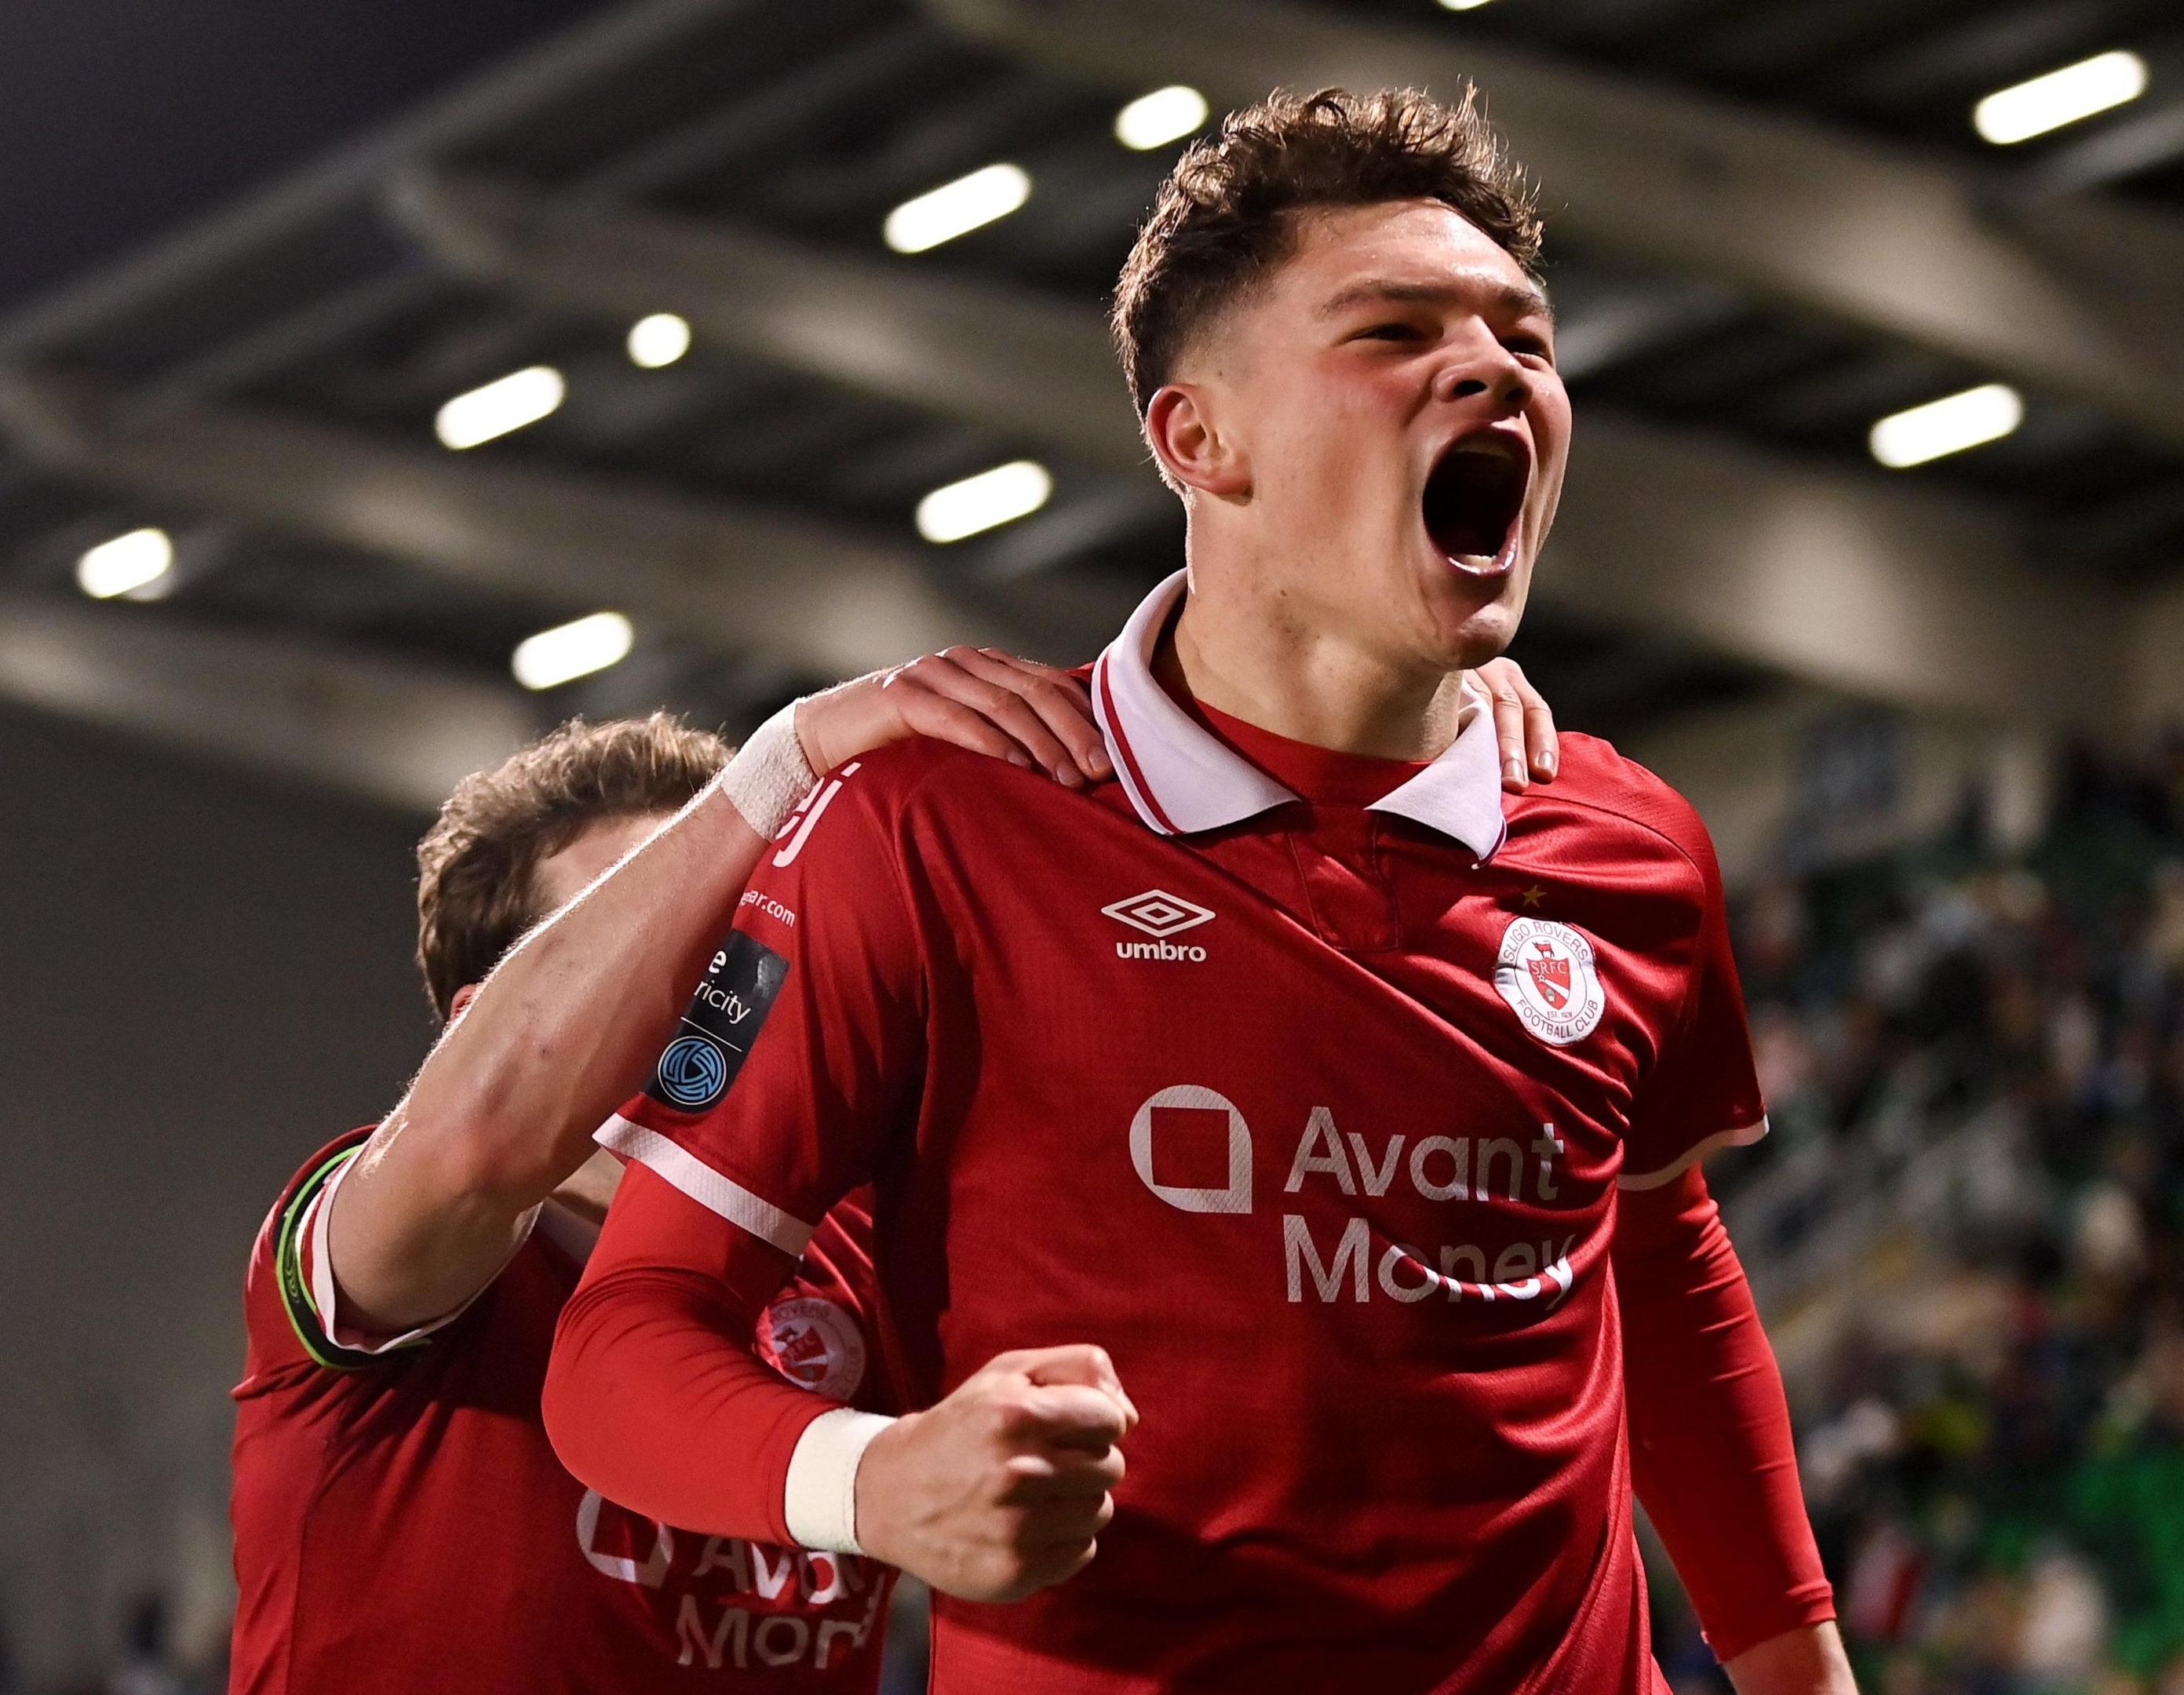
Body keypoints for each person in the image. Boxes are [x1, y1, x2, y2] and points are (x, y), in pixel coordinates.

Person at [544, 88, 1846, 1695]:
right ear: (1195, 436)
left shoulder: (1628, 843)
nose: (1493, 366)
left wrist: (1802, 1672)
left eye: (1527, 336)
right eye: (1391, 330)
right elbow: (618, 1351)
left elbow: (1659, 1261)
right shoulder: (937, 830)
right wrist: (870, 1482)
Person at [229, 650, 1560, 1693]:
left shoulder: (876, 1251)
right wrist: (781, 766)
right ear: (482, 1014)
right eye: (676, 949)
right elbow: (478, 1146)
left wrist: (1395, 737)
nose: (729, 990)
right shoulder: (392, 1257)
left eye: (744, 940)